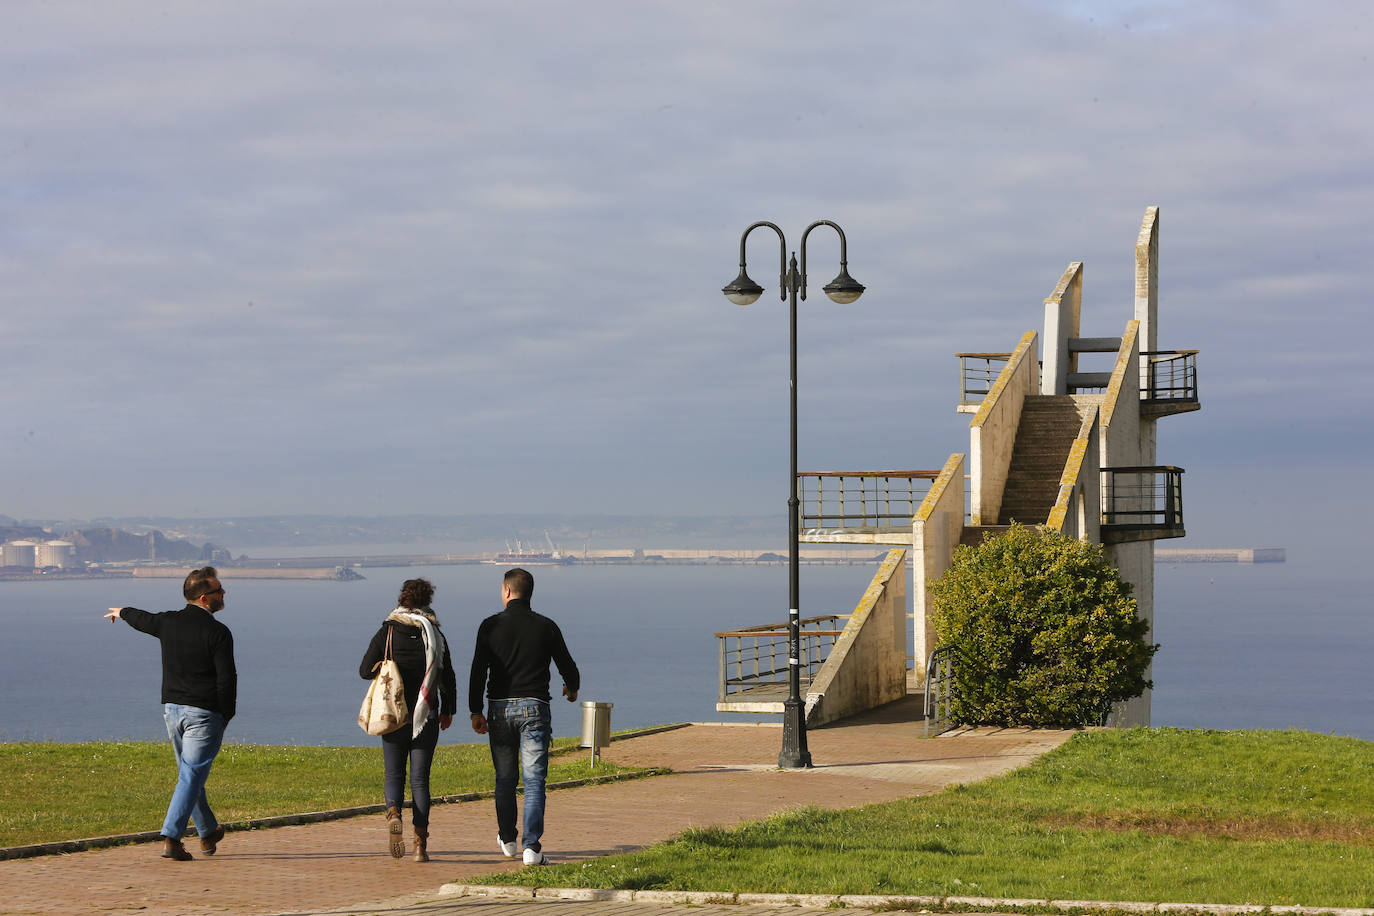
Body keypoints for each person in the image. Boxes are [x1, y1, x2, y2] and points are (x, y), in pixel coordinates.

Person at [104, 566, 236, 862]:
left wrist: (122, 612)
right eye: (219, 590)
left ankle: (207, 832)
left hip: (172, 711)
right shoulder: (218, 632)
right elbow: (227, 679)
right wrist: (226, 714)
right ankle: (171, 838)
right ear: (204, 598)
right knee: (190, 776)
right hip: (204, 714)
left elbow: (143, 619)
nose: (224, 593)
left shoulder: (168, 622)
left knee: (190, 775)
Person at [469, 567, 580, 866]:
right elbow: (568, 666)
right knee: (534, 781)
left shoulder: (489, 626)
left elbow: (478, 670)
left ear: (507, 591)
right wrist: (571, 689)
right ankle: (532, 847)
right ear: (529, 593)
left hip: (499, 709)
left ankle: (507, 838)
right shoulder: (546, 626)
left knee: (505, 778)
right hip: (535, 707)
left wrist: (475, 710)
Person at [359, 577, 457, 862]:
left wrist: (385, 666)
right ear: (427, 601)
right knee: (420, 780)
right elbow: (447, 677)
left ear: (402, 599)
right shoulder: (435, 635)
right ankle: (419, 845)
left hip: (393, 714)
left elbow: (364, 670)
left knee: (394, 774)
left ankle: (393, 814)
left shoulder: (388, 631)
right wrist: (448, 710)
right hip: (426, 715)